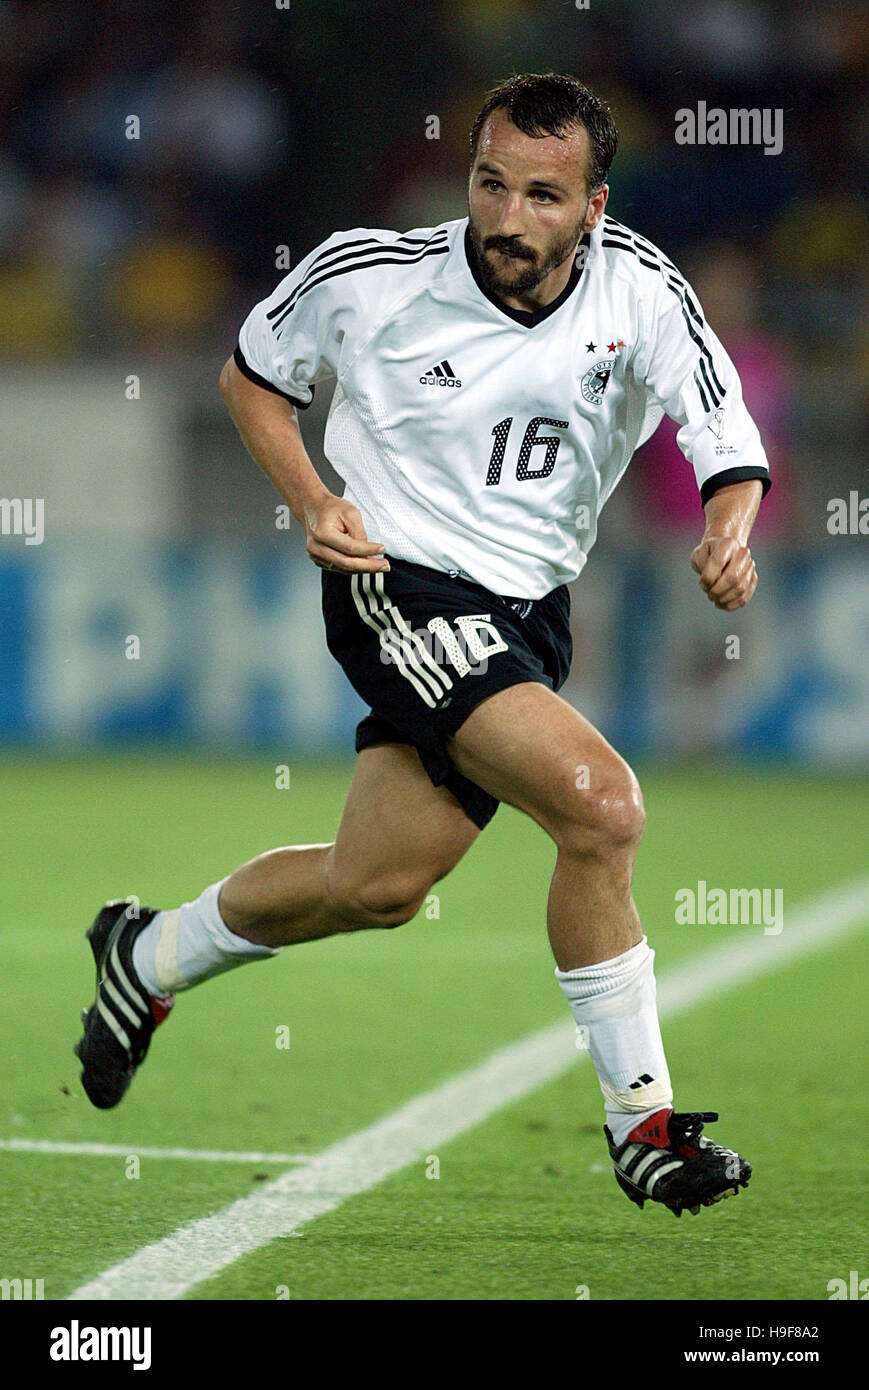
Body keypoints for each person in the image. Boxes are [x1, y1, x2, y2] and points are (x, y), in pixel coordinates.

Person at [76, 73, 769, 1219]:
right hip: (397, 583)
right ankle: (641, 1125)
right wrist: (312, 499)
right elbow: (253, 377)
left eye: (541, 196)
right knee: (599, 805)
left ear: (592, 207)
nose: (506, 217)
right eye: (489, 183)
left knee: (379, 884)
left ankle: (145, 957)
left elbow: (720, 429)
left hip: (527, 615)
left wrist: (728, 528)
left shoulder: (641, 287)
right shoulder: (375, 276)